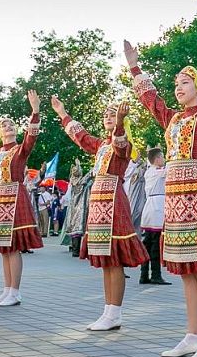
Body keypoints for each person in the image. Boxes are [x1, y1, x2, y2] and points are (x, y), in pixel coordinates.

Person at [125, 15, 197, 357]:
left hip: (196, 192)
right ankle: (191, 334)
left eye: (185, 82)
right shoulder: (172, 118)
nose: (178, 86)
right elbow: (151, 101)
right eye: (176, 82)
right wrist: (134, 67)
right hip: (175, 195)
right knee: (187, 268)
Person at [53, 96, 148, 331]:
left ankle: (114, 312)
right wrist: (63, 113)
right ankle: (108, 311)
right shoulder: (100, 145)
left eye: (113, 113)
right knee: (106, 260)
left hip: (113, 201)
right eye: (105, 114)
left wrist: (120, 122)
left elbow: (120, 144)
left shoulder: (124, 144)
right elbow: (81, 136)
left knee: (114, 259)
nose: (108, 116)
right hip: (98, 202)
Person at [0, 90, 45, 307]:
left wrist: (35, 111)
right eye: (3, 126)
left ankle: (15, 291)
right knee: (4, 248)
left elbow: (31, 137)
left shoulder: (19, 150)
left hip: (15, 198)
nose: (8, 128)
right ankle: (6, 289)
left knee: (14, 246)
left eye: (11, 125)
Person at [137, 147, 170, 285]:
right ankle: (156, 274)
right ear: (157, 159)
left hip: (150, 206)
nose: (164, 159)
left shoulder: (149, 172)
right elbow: (170, 169)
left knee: (147, 242)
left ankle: (144, 274)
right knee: (155, 243)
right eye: (162, 157)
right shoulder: (158, 171)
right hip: (157, 207)